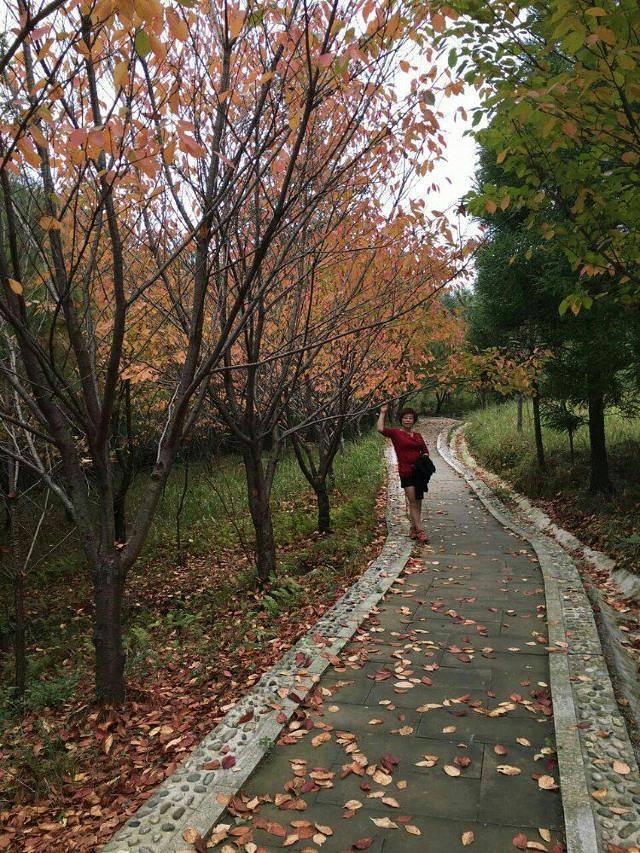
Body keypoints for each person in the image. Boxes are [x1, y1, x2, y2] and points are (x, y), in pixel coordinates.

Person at [377, 403, 430, 543]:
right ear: (401, 420)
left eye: (410, 418)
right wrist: (383, 412)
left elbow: (425, 451)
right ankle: (420, 530)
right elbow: (381, 429)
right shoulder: (396, 433)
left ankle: (413, 528)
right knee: (412, 501)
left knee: (418, 501)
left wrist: (423, 458)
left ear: (414, 420)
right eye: (405, 418)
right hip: (406, 471)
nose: (408, 420)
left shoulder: (418, 435)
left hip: (419, 472)